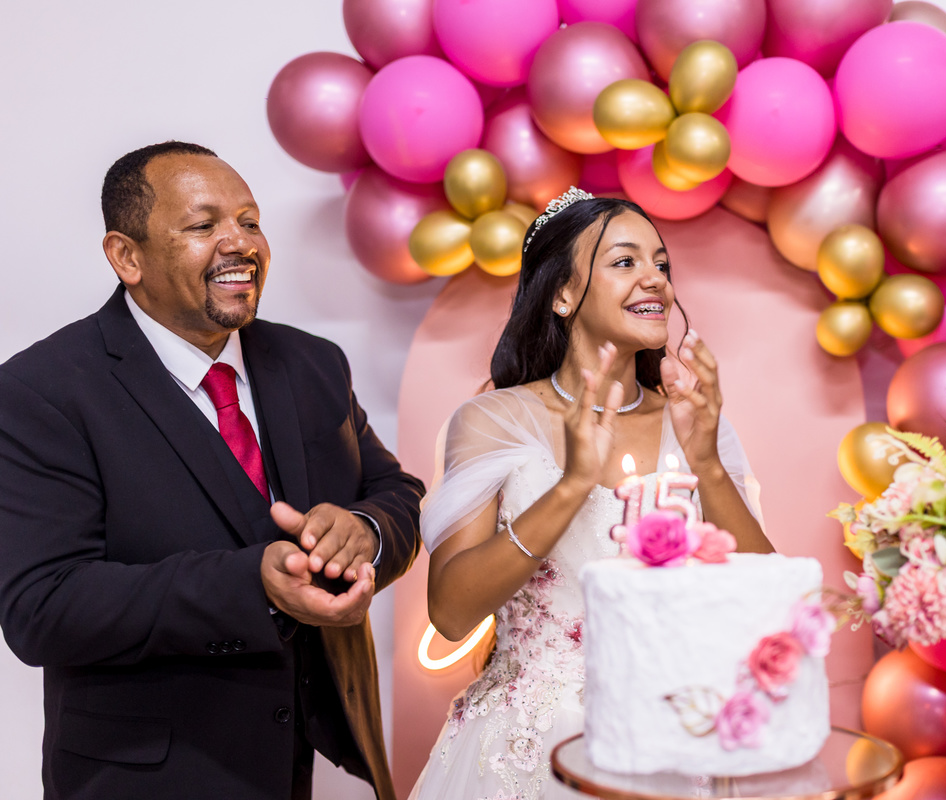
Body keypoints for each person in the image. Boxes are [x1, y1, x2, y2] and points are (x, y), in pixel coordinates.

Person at [0, 141, 425, 800]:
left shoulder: (312, 362)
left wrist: (363, 531)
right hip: (143, 780)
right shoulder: (42, 390)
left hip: (296, 769)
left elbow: (394, 493)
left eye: (250, 221)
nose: (240, 243)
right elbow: (43, 607)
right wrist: (253, 584)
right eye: (203, 226)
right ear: (126, 256)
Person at [408, 189, 774, 799]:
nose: (655, 279)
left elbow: (765, 599)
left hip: (670, 745)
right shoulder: (495, 420)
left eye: (661, 264)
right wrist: (573, 484)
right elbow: (449, 613)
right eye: (625, 261)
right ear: (562, 294)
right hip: (527, 748)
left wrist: (707, 462)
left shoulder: (693, 419)